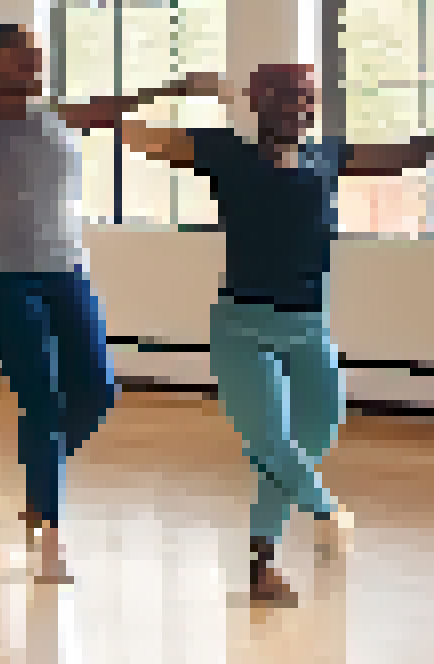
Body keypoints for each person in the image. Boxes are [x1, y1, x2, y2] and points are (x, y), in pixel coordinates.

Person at [115, 63, 434, 605]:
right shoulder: (222, 151)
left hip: (309, 328)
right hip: (243, 328)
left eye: (305, 98)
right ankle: (316, 518)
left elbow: (408, 154)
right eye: (285, 97)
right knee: (269, 442)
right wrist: (173, 88)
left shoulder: (329, 155)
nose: (297, 107)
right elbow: (126, 131)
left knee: (313, 437)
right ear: (257, 102)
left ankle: (263, 560)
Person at [0, 21, 214, 582]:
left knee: (97, 391)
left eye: (36, 51)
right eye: (18, 52)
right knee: (42, 399)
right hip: (4, 281)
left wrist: (175, 87)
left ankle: (40, 473)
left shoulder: (55, 116)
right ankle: (49, 533)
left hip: (67, 274)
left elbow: (111, 108)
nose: (34, 58)